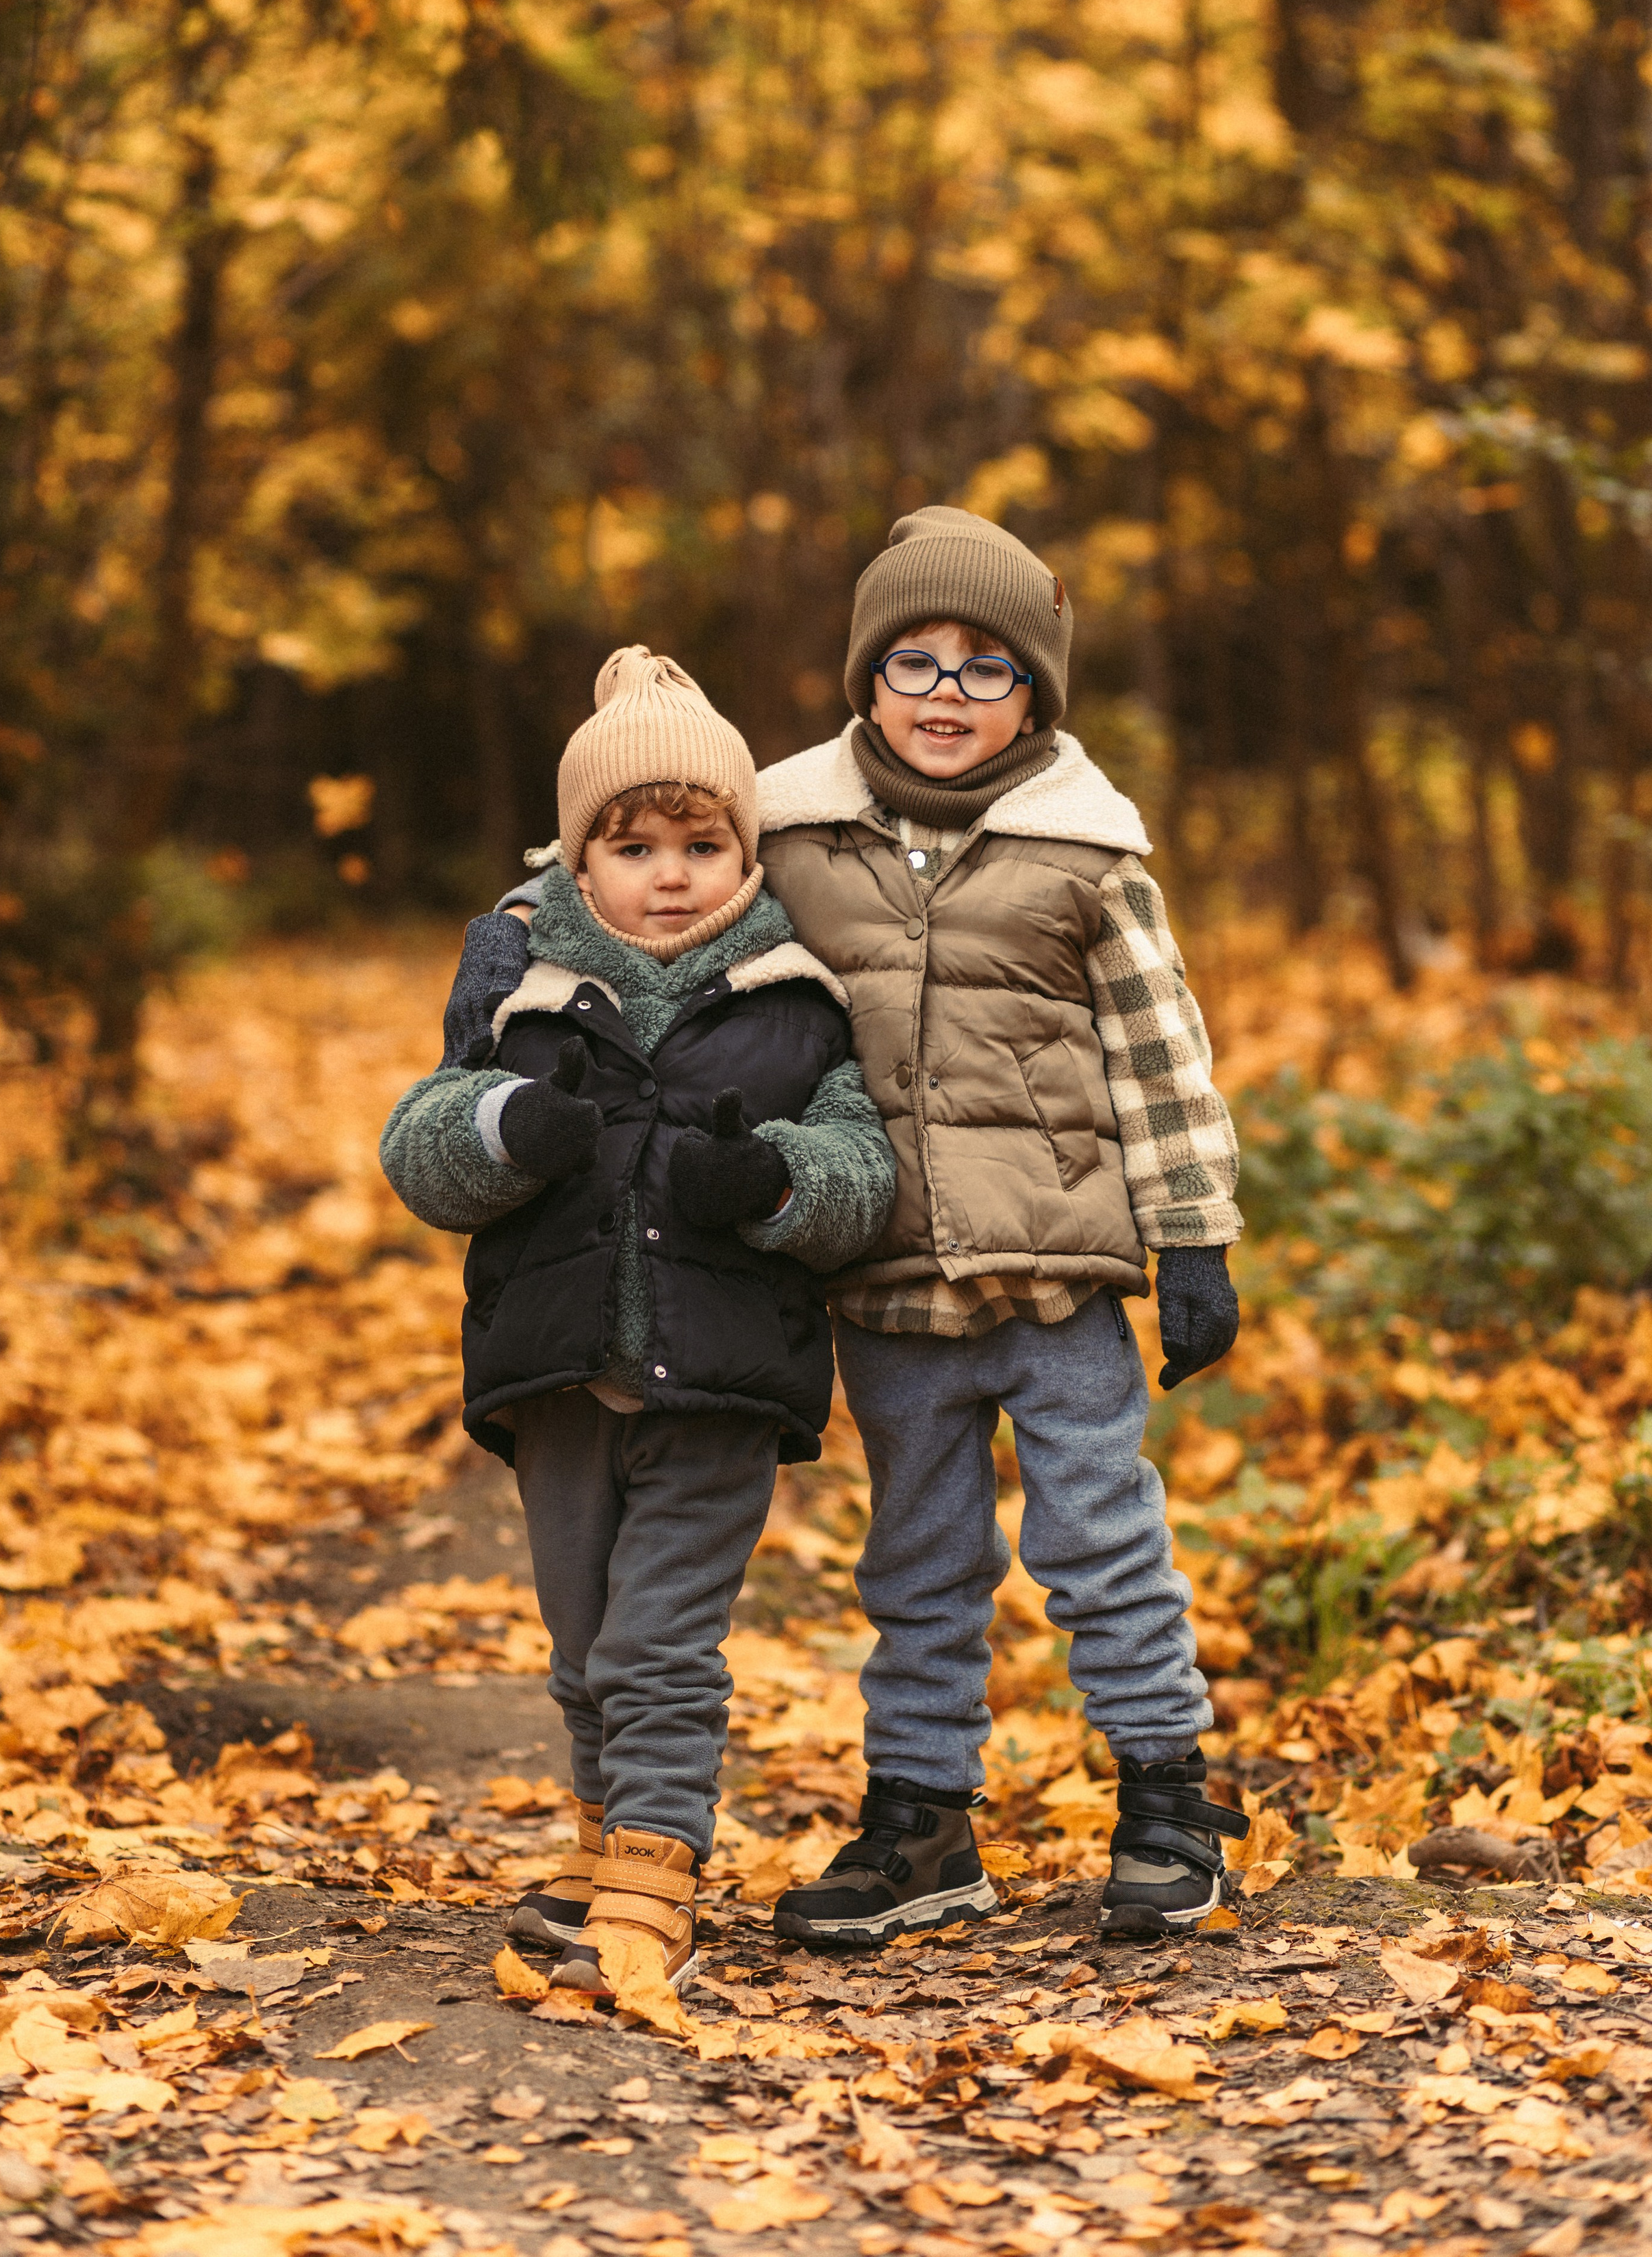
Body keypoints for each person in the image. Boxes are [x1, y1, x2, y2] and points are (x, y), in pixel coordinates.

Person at [752, 506, 1248, 1941]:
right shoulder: (792, 838)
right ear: (864, 678)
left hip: (1057, 1284)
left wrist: (1194, 1236)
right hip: (884, 1286)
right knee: (916, 1562)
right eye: (913, 661)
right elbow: (696, 959)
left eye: (986, 668)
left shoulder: (1082, 855)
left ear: (1034, 690)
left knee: (1100, 1545)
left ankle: (1168, 1799)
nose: (946, 696)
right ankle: (920, 1824)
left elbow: (1162, 1060)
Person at [381, 646, 895, 1992]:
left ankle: (657, 1866)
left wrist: (774, 1180)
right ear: (574, 862)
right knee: (579, 1636)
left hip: (716, 1377)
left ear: (745, 851)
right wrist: (506, 1125)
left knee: (656, 1638)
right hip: (558, 1373)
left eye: (700, 840)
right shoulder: (524, 999)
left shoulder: (795, 999)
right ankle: (602, 1831)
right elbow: (417, 1143)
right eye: (632, 844)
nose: (667, 871)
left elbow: (862, 1170)